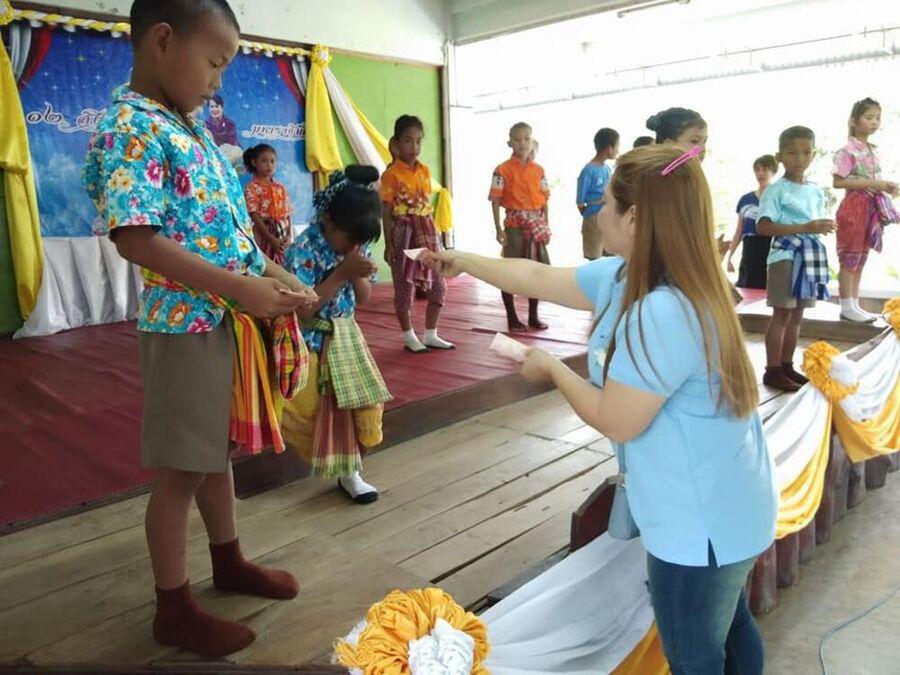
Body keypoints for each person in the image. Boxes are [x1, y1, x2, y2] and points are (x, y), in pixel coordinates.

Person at [422, 144, 776, 675]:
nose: (596, 211)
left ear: (635, 218)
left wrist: (553, 370)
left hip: (698, 521)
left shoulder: (661, 310)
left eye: (606, 202)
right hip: (727, 503)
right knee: (728, 625)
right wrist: (463, 260)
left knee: (694, 654)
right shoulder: (632, 277)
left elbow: (617, 419)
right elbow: (536, 277)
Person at [82, 0, 318, 658]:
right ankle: (173, 607)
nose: (218, 82)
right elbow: (137, 239)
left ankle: (228, 559)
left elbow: (229, 236)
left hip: (222, 317)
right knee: (182, 470)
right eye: (214, 63)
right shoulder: (131, 126)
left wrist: (280, 275)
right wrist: (242, 289)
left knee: (214, 453)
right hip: (185, 325)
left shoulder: (188, 128)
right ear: (162, 41)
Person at [281, 167, 390, 504]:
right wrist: (342, 272)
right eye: (350, 238)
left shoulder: (354, 245)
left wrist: (356, 273)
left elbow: (364, 297)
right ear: (327, 220)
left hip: (346, 335)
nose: (354, 246)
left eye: (360, 242)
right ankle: (341, 468)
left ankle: (351, 471)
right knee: (312, 409)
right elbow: (304, 309)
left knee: (364, 405)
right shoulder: (302, 249)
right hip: (311, 341)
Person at [757, 127, 835, 392]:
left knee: (797, 314)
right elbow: (763, 227)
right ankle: (772, 370)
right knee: (782, 313)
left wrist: (820, 227)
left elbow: (812, 224)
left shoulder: (815, 191)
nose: (800, 159)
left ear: (813, 155)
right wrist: (806, 227)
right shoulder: (775, 190)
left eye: (806, 152)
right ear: (780, 156)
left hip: (809, 255)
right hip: (785, 256)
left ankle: (787, 365)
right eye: (792, 153)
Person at [380, 115, 454, 353]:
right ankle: (409, 335)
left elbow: (424, 204)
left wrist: (435, 235)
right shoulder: (391, 174)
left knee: (438, 284)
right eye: (408, 141)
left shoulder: (424, 170)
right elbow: (386, 211)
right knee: (404, 286)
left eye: (418, 141)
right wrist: (389, 244)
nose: (414, 147)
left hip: (427, 233)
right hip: (403, 233)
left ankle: (431, 333)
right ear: (396, 144)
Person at [832, 97, 900, 322]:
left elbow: (872, 181)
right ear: (854, 121)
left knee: (861, 256)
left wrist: (886, 186)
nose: (874, 122)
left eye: (877, 118)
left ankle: (854, 304)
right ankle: (846, 306)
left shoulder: (872, 150)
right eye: (869, 117)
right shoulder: (847, 150)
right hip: (854, 206)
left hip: (870, 206)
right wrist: (875, 184)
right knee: (849, 256)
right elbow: (838, 182)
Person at [489, 121, 552, 331]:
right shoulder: (502, 170)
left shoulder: (539, 170)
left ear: (532, 141)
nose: (522, 143)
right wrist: (498, 229)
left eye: (526, 138)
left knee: (537, 271)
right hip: (514, 225)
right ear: (510, 143)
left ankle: (533, 316)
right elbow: (495, 200)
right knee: (510, 272)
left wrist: (546, 226)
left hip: (536, 226)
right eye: (517, 139)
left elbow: (545, 201)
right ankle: (512, 317)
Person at [726, 155, 777, 289]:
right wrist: (730, 256)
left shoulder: (779, 199)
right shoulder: (745, 200)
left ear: (773, 172)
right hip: (749, 251)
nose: (760, 173)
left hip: (772, 249)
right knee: (747, 289)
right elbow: (739, 231)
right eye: (757, 170)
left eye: (764, 169)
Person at [243, 144, 293, 265]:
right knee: (264, 266)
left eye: (272, 161)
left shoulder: (280, 187)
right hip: (263, 234)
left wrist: (289, 235)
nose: (269, 165)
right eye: (264, 161)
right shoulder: (251, 187)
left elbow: (287, 214)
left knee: (283, 266)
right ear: (254, 163)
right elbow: (254, 216)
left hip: (282, 234)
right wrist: (271, 239)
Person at [577, 127, 620, 260]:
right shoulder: (588, 170)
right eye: (617, 146)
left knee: (611, 252)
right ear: (609, 148)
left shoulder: (607, 169)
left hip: (608, 214)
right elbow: (580, 200)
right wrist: (589, 213)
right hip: (593, 216)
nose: (618, 150)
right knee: (594, 253)